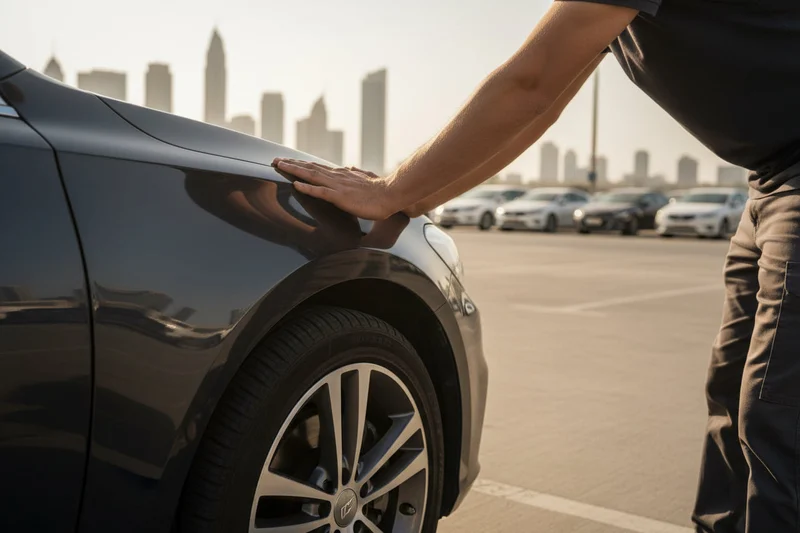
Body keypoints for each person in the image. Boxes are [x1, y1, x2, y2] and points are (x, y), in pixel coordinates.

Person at [274, 2, 800, 531]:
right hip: (772, 178)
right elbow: (540, 106)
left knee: (778, 415)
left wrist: (392, 191)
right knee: (732, 402)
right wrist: (408, 199)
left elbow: (531, 83)